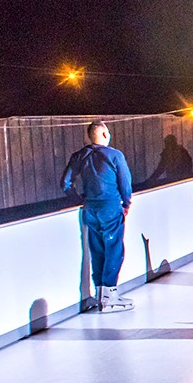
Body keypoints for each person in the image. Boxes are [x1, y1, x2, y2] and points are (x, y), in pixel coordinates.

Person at [62, 121, 135, 312]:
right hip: (110, 206)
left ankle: (99, 293)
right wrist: (126, 203)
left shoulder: (79, 156)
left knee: (96, 249)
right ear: (103, 134)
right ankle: (110, 294)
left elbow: (65, 183)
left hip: (90, 208)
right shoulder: (114, 155)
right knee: (114, 249)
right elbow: (125, 183)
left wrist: (79, 199)